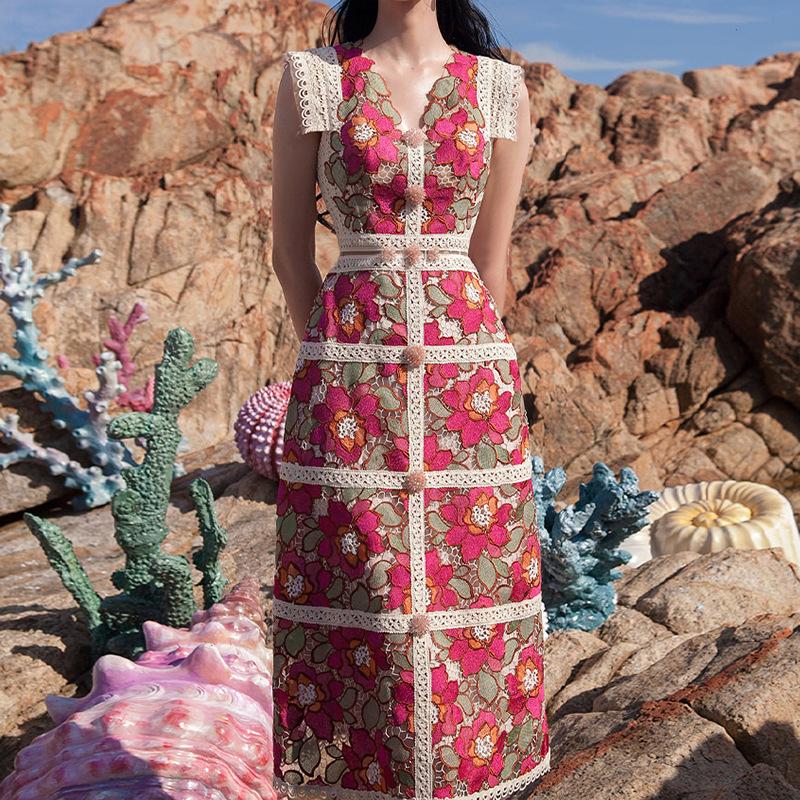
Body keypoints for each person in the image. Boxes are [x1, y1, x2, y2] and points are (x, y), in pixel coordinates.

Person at [270, 1, 550, 796]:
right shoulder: (313, 78)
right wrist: (328, 362)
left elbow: (490, 265)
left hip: (470, 384)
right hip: (346, 380)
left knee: (476, 588)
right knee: (361, 587)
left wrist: (498, 385)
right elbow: (291, 250)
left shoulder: (500, 87)